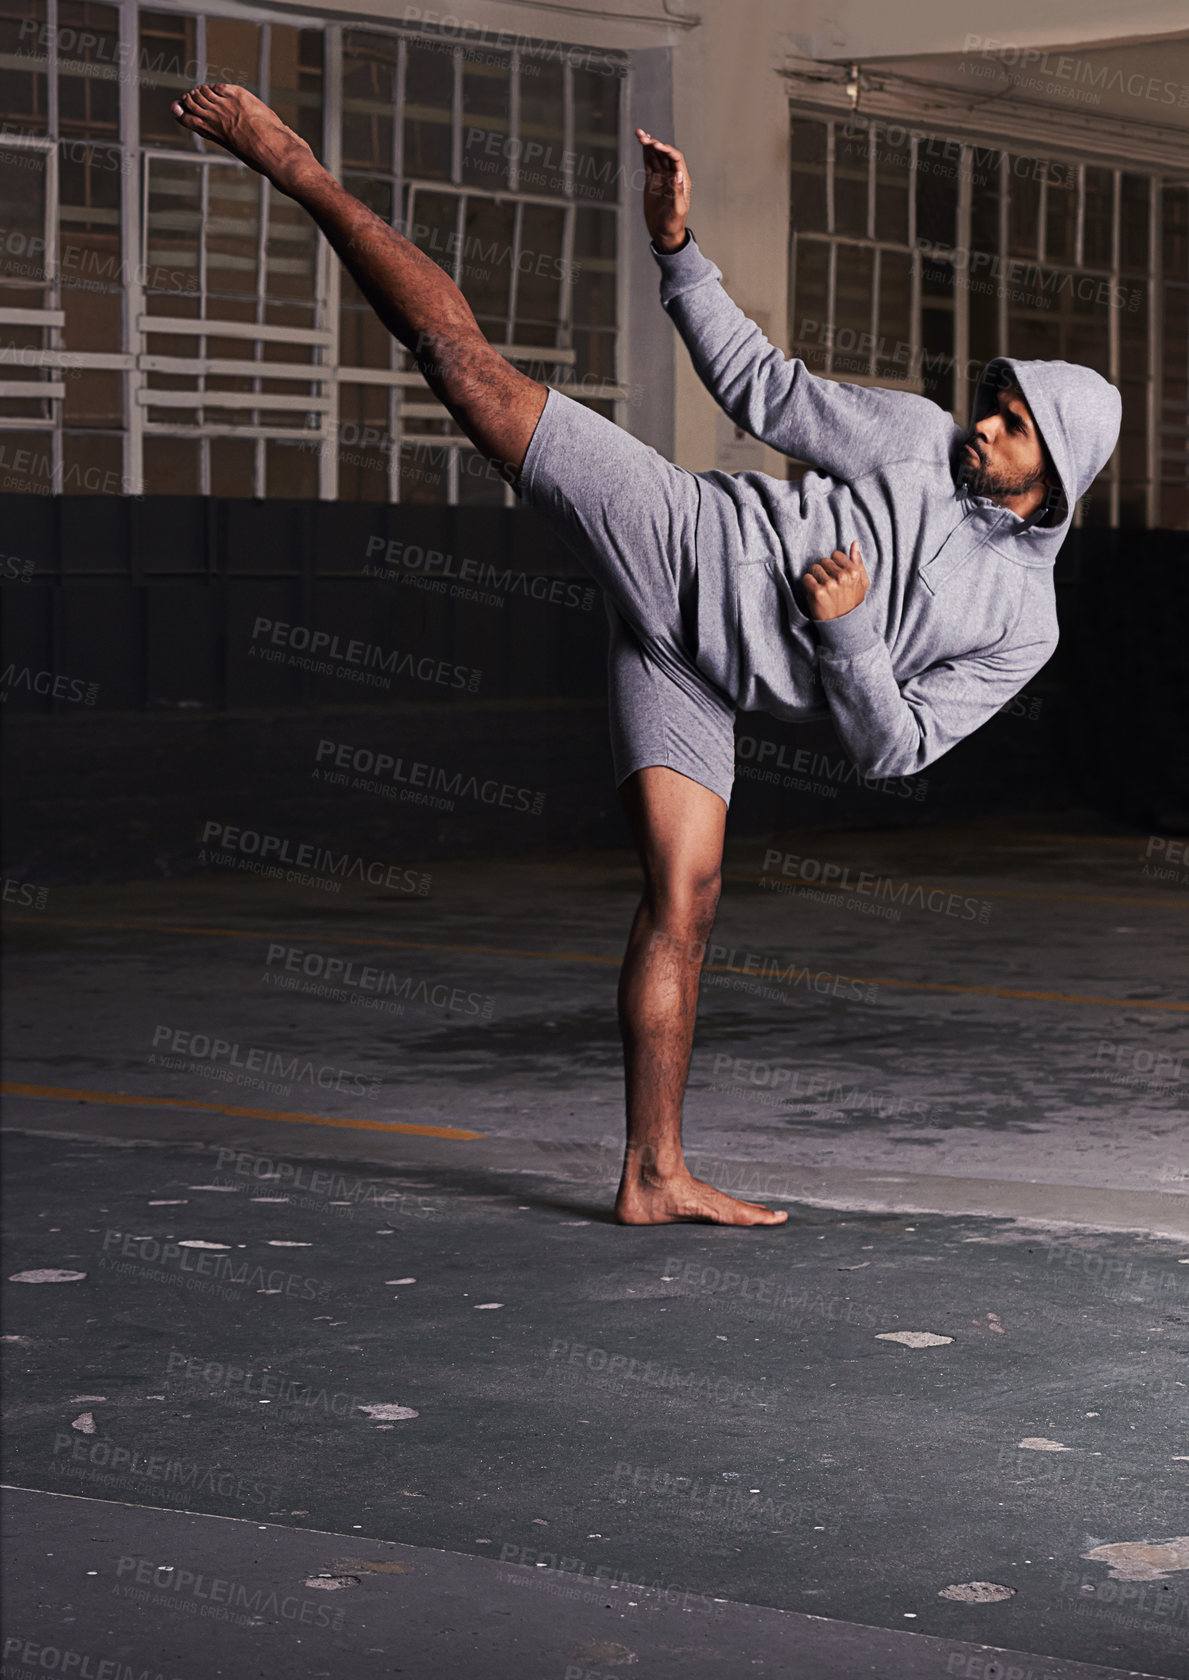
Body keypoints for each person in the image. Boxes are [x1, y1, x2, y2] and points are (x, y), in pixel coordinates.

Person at [170, 85, 1121, 1229]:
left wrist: (851, 635)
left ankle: (652, 1172)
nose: (982, 425)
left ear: (1053, 476)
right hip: (678, 532)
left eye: (1012, 426)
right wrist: (677, 247)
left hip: (694, 676)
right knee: (462, 364)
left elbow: (893, 751)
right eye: (992, 404)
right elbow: (767, 387)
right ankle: (301, 170)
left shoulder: (1024, 622)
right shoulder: (914, 439)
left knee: (687, 898)